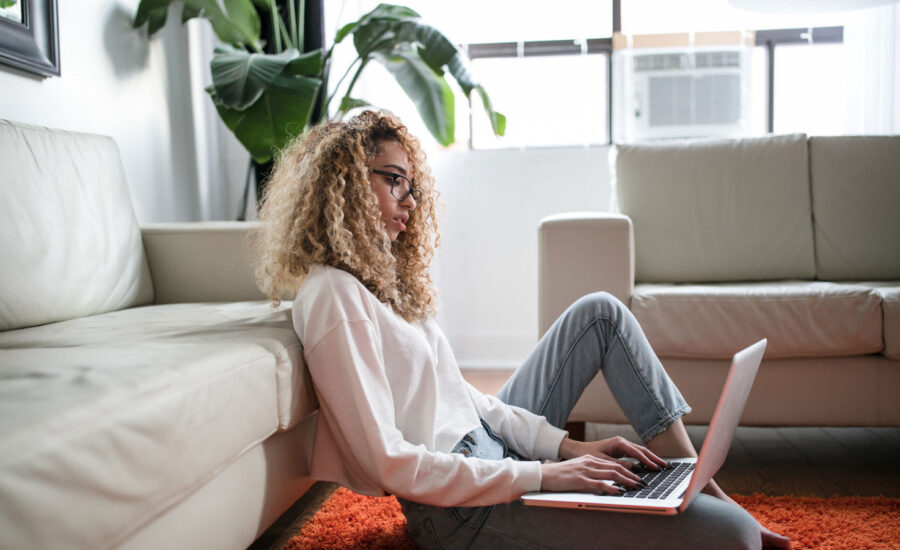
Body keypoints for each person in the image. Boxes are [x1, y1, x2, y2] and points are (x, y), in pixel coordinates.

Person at [254, 110, 790, 550]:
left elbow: (465, 400)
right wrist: (541, 476)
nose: (411, 202)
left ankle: (698, 486)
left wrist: (562, 449)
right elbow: (386, 461)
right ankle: (716, 508)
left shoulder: (383, 284)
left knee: (601, 312)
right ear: (343, 186)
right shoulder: (333, 295)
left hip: (493, 455)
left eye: (412, 186)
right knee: (736, 539)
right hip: (457, 512)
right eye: (394, 181)